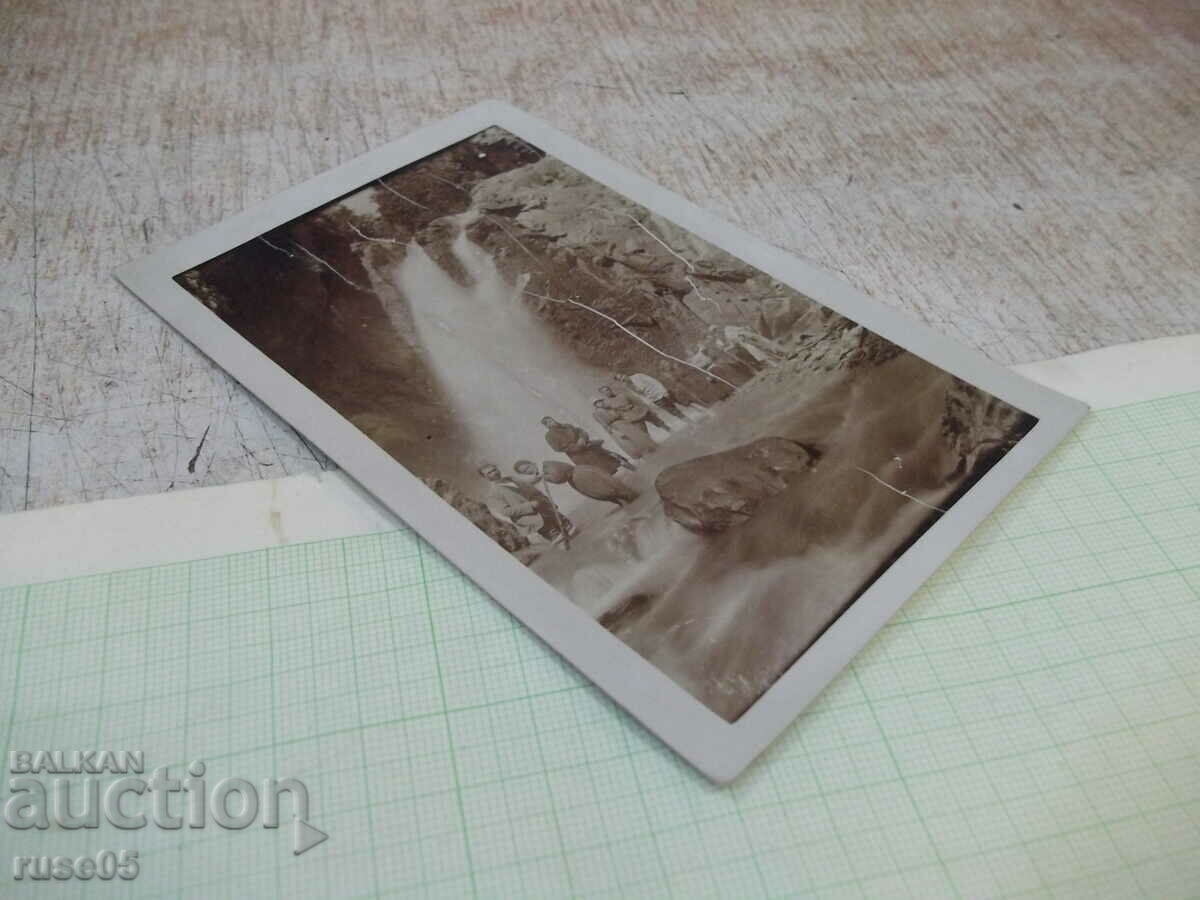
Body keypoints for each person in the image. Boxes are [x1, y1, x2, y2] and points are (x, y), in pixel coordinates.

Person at [478, 463, 545, 542]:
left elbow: (528, 483)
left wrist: (538, 476)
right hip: (535, 523)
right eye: (489, 473)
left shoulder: (511, 479)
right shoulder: (492, 494)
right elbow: (506, 511)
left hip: (545, 511)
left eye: (494, 470)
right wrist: (530, 505)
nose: (494, 473)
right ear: (485, 477)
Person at [541, 416, 632, 473]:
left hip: (589, 446)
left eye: (552, 420)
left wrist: (582, 439)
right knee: (598, 470)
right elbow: (558, 448)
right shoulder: (549, 436)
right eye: (549, 422)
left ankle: (630, 467)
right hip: (579, 455)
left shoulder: (567, 426)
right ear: (546, 426)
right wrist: (578, 446)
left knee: (611, 457)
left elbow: (581, 431)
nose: (552, 422)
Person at [511, 459, 574, 541]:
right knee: (550, 513)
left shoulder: (543, 467)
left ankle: (567, 525)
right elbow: (532, 481)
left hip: (560, 495)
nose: (528, 471)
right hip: (545, 500)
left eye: (528, 467)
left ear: (533, 463)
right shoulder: (531, 479)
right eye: (524, 472)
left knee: (554, 513)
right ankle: (562, 530)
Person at [542, 461, 639, 509]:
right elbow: (558, 477)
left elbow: (558, 476)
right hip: (577, 474)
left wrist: (546, 477)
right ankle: (625, 497)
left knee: (604, 489)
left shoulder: (548, 466)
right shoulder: (547, 467)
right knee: (602, 490)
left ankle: (626, 496)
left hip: (579, 475)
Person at [592, 396, 657, 459]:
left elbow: (621, 412)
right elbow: (604, 425)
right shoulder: (596, 413)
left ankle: (650, 449)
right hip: (616, 427)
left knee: (638, 436)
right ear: (595, 405)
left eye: (600, 401)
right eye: (597, 403)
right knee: (629, 442)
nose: (600, 403)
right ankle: (641, 455)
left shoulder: (609, 408)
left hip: (625, 422)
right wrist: (615, 432)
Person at [617, 372, 689, 419]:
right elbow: (640, 396)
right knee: (673, 411)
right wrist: (649, 403)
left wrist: (664, 391)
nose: (624, 379)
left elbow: (653, 381)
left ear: (625, 374)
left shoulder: (638, 376)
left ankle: (695, 409)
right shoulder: (629, 386)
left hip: (661, 393)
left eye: (622, 376)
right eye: (621, 380)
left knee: (682, 402)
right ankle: (690, 422)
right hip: (655, 399)